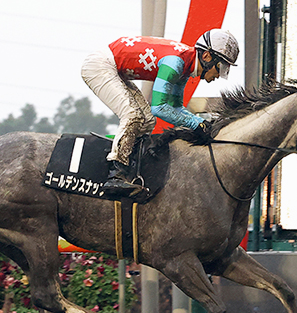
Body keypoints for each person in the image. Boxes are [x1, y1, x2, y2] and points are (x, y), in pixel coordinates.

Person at [81, 29, 239, 196]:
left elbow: (176, 108)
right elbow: (159, 108)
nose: (219, 75)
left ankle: (129, 166)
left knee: (148, 121)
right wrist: (195, 124)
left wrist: (201, 123)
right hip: (100, 66)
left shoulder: (186, 66)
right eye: (221, 67)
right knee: (133, 116)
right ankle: (115, 174)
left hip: (114, 68)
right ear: (206, 56)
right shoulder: (175, 63)